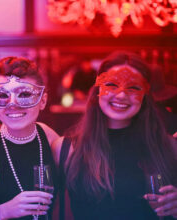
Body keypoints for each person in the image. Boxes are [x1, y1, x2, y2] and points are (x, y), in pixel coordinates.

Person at [52, 51, 177, 220]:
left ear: (145, 95)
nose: (121, 95)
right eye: (112, 85)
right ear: (97, 89)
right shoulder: (65, 149)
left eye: (133, 87)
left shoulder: (170, 148)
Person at [0, 57, 59, 219]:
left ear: (43, 101)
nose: (12, 104)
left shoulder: (47, 135)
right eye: (3, 95)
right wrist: (3, 211)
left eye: (24, 94)